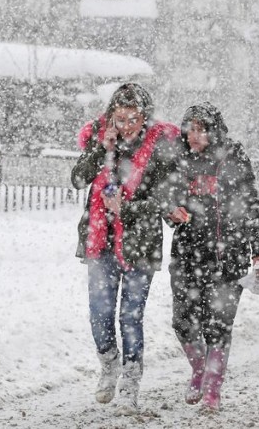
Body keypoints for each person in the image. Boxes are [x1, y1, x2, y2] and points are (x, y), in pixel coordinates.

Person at [70, 83, 181, 413]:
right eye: (119, 118)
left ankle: (131, 383)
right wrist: (99, 150)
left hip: (140, 245)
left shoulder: (160, 148)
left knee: (130, 317)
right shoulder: (103, 141)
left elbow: (167, 200)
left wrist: (127, 209)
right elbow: (77, 179)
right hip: (100, 241)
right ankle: (109, 364)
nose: (126, 125)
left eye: (133, 118)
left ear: (144, 117)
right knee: (99, 313)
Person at [166, 102, 259, 412]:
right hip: (187, 255)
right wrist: (172, 212)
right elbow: (166, 200)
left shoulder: (234, 158)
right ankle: (199, 370)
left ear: (214, 131)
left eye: (201, 129)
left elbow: (251, 206)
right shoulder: (178, 160)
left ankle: (213, 387)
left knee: (218, 326)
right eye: (190, 129)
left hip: (229, 256)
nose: (194, 136)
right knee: (183, 322)